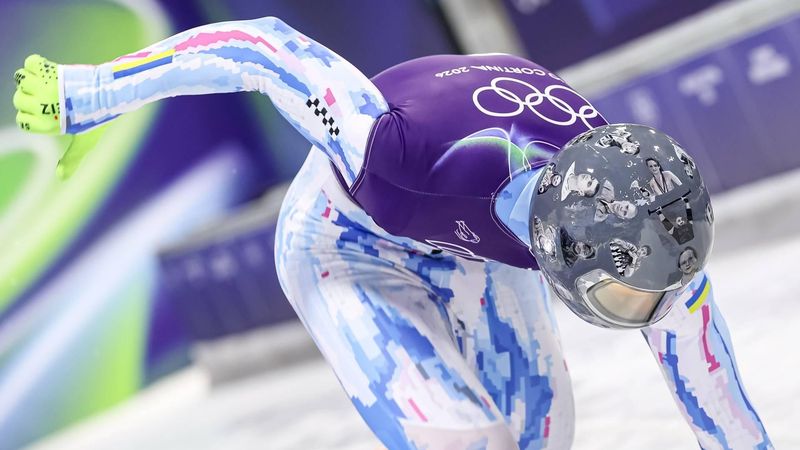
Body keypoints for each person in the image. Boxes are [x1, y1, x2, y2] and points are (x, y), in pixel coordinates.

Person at [13, 16, 771, 450]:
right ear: (567, 250)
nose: (648, 310)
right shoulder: (399, 146)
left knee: (540, 437)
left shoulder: (641, 214)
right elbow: (263, 48)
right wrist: (92, 91)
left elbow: (715, 390)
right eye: (629, 297)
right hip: (343, 245)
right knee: (461, 440)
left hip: (477, 247)